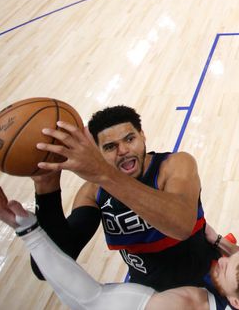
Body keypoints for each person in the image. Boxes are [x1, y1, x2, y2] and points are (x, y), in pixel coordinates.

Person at [0, 182, 239, 310]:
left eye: (225, 267)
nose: (220, 260)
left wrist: (29, 232)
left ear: (237, 303)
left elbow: (90, 299)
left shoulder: (188, 301)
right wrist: (219, 240)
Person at [25, 105, 223, 292]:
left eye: (129, 139)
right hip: (151, 296)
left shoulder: (175, 164)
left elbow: (181, 226)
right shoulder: (93, 192)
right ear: (97, 152)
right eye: (110, 147)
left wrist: (104, 174)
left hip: (209, 281)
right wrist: (46, 188)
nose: (123, 150)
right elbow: (47, 267)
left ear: (142, 135)